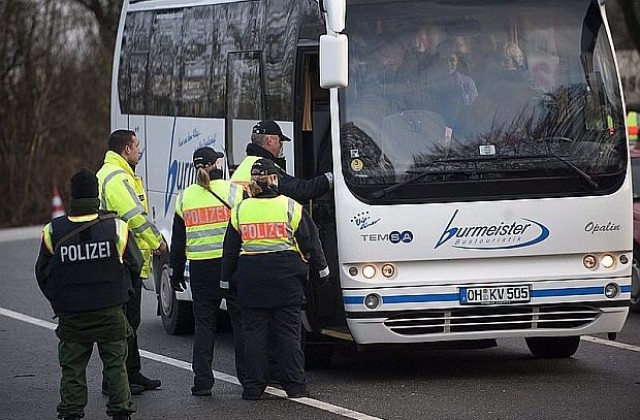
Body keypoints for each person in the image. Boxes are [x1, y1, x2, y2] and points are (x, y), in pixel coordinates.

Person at [35, 169, 143, 420]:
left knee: (72, 369)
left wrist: (59, 301)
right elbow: (135, 266)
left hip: (72, 315)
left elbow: (42, 274)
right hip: (110, 312)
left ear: (72, 195)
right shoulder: (117, 228)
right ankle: (120, 413)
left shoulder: (53, 230)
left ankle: (71, 413)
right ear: (96, 195)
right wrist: (123, 293)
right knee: (116, 367)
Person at [220, 158, 330, 400]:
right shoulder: (290, 206)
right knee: (289, 336)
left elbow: (230, 251)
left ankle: (253, 388)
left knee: (254, 336)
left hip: (251, 282)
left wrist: (225, 281)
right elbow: (311, 242)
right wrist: (322, 270)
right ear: (273, 180)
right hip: (286, 280)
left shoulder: (240, 209)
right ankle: (295, 386)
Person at [169, 146, 246, 396]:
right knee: (241, 324)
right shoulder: (234, 191)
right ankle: (249, 380)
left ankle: (202, 382)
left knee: (204, 327)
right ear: (215, 165)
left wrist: (176, 273)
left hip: (201, 268)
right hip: (231, 267)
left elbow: (178, 242)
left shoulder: (184, 198)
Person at [96, 129, 167, 395]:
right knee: (123, 324)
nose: (139, 150)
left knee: (130, 323)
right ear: (126, 149)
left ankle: (132, 374)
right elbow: (135, 217)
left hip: (125, 260)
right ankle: (114, 380)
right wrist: (157, 241)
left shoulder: (117, 173)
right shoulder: (116, 178)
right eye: (136, 146)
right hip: (121, 261)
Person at [230, 120, 333, 203]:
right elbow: (300, 190)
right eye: (280, 141)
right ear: (269, 140)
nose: (280, 146)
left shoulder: (246, 164)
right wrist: (330, 177)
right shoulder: (264, 168)